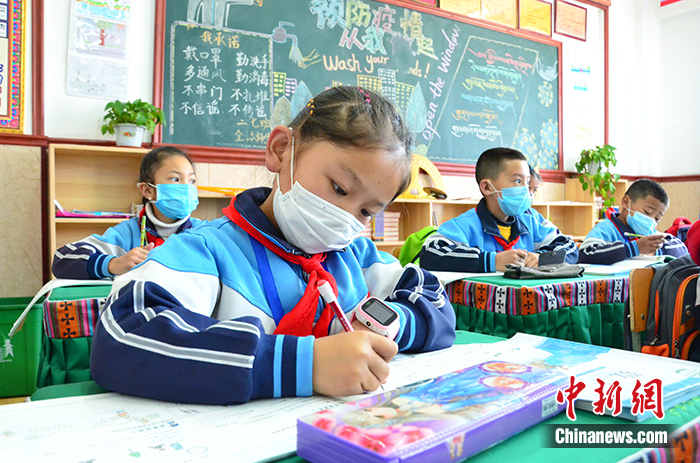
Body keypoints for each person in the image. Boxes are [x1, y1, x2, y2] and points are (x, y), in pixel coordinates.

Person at [90, 86, 456, 405]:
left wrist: (386, 326)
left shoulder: (354, 258)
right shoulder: (206, 251)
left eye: (366, 211)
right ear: (281, 150)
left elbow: (436, 303)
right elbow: (122, 335)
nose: (344, 216)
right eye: (339, 188)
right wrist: (305, 364)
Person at [52, 146, 204, 279]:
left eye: (192, 181)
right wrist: (114, 264)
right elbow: (62, 259)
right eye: (176, 179)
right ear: (147, 190)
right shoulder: (128, 234)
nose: (187, 188)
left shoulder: (203, 233)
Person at [420, 148, 579, 273]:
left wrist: (541, 258)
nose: (525, 190)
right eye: (517, 181)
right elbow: (430, 254)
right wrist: (492, 261)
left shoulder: (532, 220)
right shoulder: (465, 225)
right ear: (487, 187)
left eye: (527, 182)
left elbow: (570, 247)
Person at [579, 179, 688, 264]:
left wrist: (654, 249)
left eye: (657, 218)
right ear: (626, 203)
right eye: (647, 212)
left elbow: (682, 251)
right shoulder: (606, 229)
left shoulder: (650, 234)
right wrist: (635, 248)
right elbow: (585, 255)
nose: (651, 221)